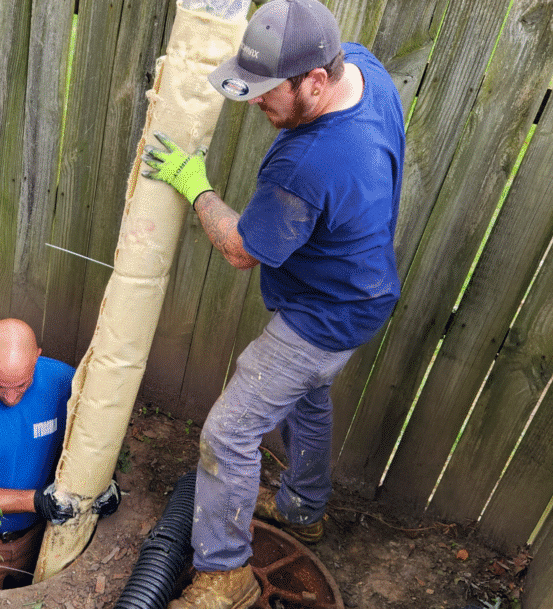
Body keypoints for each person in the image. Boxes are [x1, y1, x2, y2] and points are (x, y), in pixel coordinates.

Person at [142, 1, 405, 608]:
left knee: (228, 435)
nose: (257, 103)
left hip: (323, 316)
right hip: (363, 293)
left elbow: (241, 250)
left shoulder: (307, 163)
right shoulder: (363, 69)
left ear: (315, 81)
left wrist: (195, 186)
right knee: (306, 400)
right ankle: (304, 509)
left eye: (267, 93)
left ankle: (225, 575)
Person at [0, 318, 120, 589]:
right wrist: (36, 501)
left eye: (21, 385)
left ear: (37, 357)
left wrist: (104, 484)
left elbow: (93, 439)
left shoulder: (64, 382)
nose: (11, 398)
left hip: (40, 534)